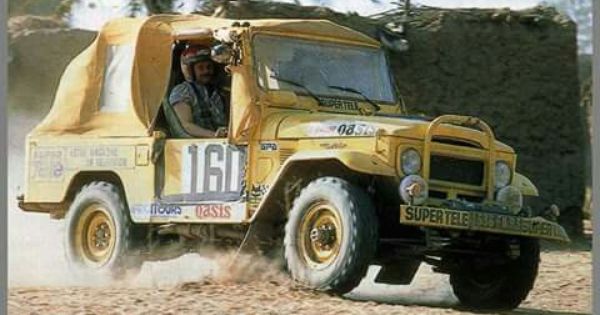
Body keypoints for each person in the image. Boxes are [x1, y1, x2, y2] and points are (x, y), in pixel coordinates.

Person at [166, 44, 229, 138]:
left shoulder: (219, 91)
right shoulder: (183, 91)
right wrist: (214, 135)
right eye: (201, 68)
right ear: (190, 70)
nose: (206, 71)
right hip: (195, 145)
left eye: (209, 67)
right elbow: (186, 125)